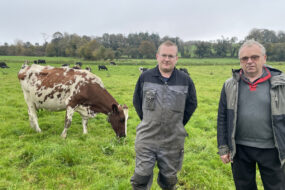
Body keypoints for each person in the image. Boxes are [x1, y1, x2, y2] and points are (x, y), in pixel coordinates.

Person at [217, 39, 285, 190]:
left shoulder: (281, 84)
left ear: (264, 58)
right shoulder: (230, 85)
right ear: (240, 61)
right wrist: (223, 148)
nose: (249, 61)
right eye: (244, 58)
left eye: (255, 57)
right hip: (240, 148)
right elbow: (222, 118)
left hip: (272, 149)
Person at [130, 40, 197, 190]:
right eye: (164, 55)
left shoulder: (185, 80)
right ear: (157, 56)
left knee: (169, 181)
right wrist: (149, 120)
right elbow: (137, 102)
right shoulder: (145, 77)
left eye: (171, 56)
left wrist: (177, 124)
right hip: (147, 138)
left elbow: (192, 105)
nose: (167, 59)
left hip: (173, 141)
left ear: (176, 58)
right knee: (141, 177)